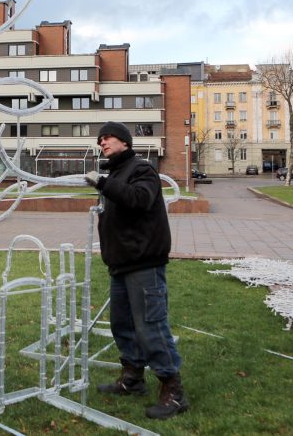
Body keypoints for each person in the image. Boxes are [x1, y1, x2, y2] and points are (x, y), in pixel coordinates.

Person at [84, 121, 188, 420]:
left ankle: (173, 390)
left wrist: (103, 184)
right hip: (120, 263)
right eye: (100, 139)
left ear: (126, 142)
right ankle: (132, 379)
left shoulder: (142, 170)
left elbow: (140, 200)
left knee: (150, 326)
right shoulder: (116, 173)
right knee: (123, 325)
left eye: (108, 137)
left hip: (143, 262)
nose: (102, 143)